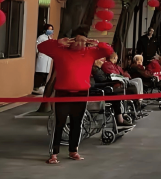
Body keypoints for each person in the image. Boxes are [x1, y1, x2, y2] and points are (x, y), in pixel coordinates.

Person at [38, 29, 114, 164]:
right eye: (77, 40)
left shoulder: (90, 52)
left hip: (81, 93)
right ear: (71, 41)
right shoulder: (59, 51)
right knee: (59, 123)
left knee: (77, 123)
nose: (80, 44)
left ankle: (73, 151)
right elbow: (41, 47)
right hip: (63, 93)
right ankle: (54, 153)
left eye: (83, 41)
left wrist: (95, 42)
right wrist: (58, 42)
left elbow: (108, 51)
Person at [91, 58, 135, 127]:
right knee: (115, 97)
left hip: (101, 90)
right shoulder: (96, 70)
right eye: (102, 60)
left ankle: (121, 117)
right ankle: (120, 120)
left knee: (116, 96)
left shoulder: (98, 70)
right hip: (98, 92)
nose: (103, 61)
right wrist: (111, 82)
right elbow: (102, 80)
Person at [34, 24, 54, 94]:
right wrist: (39, 53)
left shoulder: (50, 38)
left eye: (51, 30)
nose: (50, 31)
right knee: (40, 73)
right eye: (49, 29)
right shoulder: (41, 37)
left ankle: (42, 87)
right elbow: (37, 46)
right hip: (42, 57)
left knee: (46, 74)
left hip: (48, 58)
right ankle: (37, 87)